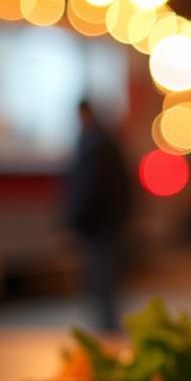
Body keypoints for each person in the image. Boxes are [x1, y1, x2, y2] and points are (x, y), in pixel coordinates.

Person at [66, 100, 131, 330]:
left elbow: (88, 189)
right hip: (104, 225)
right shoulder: (105, 142)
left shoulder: (95, 145)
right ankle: (107, 330)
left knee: (102, 284)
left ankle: (108, 333)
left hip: (100, 226)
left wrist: (78, 219)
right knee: (102, 284)